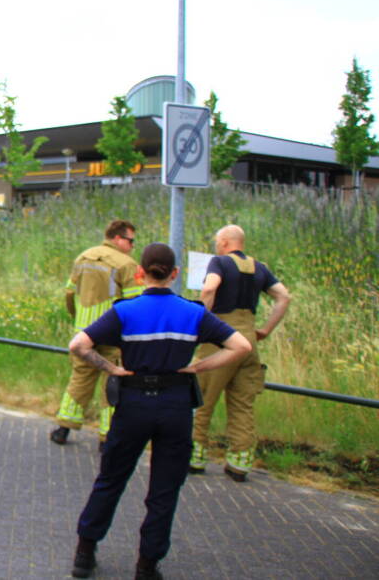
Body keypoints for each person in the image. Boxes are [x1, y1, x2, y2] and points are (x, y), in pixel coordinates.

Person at [68, 243, 251, 579]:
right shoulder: (193, 313)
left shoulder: (125, 311)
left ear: (141, 272)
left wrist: (112, 369)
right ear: (174, 274)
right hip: (175, 406)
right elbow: (242, 346)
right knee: (164, 490)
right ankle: (147, 565)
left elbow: (78, 345)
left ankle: (84, 554)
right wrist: (199, 367)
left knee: (110, 480)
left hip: (133, 405)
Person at [189, 224, 291, 482]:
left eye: (216, 240)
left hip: (221, 340)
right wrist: (266, 329)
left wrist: (202, 321)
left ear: (224, 241)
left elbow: (210, 289)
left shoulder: (219, 263)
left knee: (201, 400)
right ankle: (240, 463)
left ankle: (195, 457)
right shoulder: (260, 268)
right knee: (242, 405)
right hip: (249, 343)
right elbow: (284, 297)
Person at [52, 220, 142, 447]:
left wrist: (78, 320)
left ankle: (64, 428)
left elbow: (69, 294)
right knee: (112, 383)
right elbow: (136, 303)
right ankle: (106, 437)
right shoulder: (128, 265)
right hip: (113, 335)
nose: (132, 246)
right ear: (118, 238)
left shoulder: (83, 258)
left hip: (84, 333)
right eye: (130, 240)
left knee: (80, 379)